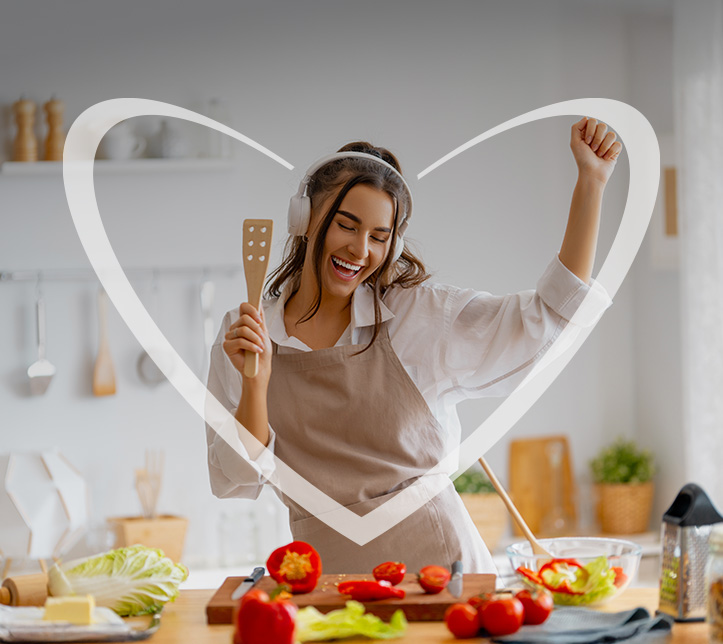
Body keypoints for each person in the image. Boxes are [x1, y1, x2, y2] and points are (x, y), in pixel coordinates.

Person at [206, 117, 620, 574]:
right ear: (303, 219)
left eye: (379, 237)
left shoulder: (418, 318)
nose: (361, 250)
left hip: (445, 575)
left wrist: (591, 182)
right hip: (329, 588)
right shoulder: (245, 333)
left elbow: (544, 319)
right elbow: (236, 480)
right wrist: (254, 386)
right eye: (347, 225)